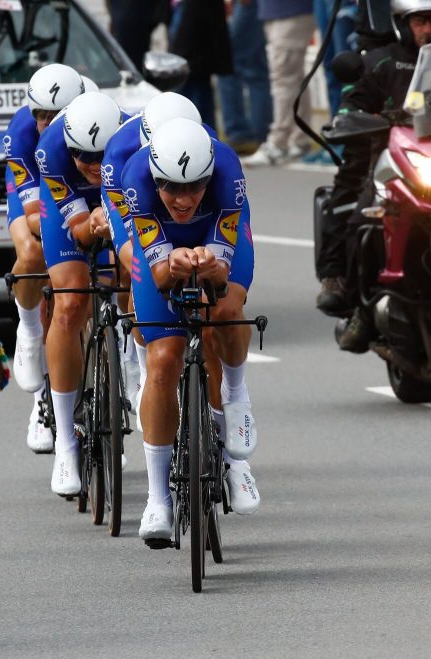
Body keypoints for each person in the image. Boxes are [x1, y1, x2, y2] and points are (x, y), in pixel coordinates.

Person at [120, 118, 260, 546]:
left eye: (194, 187)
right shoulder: (135, 177)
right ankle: (158, 499)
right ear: (156, 177)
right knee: (162, 360)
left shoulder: (228, 170)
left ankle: (235, 403)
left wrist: (211, 264)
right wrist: (174, 262)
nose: (183, 200)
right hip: (163, 249)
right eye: (171, 188)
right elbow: (160, 276)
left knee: (225, 307)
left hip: (216, 236)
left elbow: (221, 273)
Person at [321, 0, 431, 349]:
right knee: (363, 212)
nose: (428, 29)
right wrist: (358, 117)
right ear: (403, 24)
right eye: (420, 21)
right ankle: (356, 300)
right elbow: (351, 104)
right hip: (391, 159)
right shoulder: (382, 61)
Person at [98, 92, 207, 425]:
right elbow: (139, 239)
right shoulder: (121, 155)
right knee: (137, 260)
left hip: (181, 205)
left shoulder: (205, 146)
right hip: (134, 198)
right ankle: (143, 364)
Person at [36, 91, 124, 495]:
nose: (91, 165)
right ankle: (66, 446)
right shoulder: (50, 152)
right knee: (70, 303)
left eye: (99, 156)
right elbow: (80, 231)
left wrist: (114, 217)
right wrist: (93, 222)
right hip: (71, 209)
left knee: (134, 277)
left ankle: (133, 367)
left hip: (122, 195)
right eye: (82, 156)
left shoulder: (130, 144)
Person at [2, 62, 84, 454]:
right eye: (42, 115)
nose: (48, 122)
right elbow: (35, 214)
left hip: (80, 184)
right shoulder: (22, 133)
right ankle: (30, 330)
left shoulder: (98, 128)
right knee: (34, 250)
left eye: (58, 115)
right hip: (37, 190)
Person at [244, 0, 317, 165]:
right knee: (293, 78)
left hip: (290, 9)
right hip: (277, 10)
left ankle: (279, 143)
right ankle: (299, 139)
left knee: (284, 78)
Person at [217, 0, 274, 155]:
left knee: (227, 66)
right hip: (253, 5)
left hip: (247, 4)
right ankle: (260, 133)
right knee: (256, 70)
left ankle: (240, 134)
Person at [169, 0, 234, 128]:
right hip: (191, 15)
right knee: (196, 82)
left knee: (191, 82)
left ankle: (198, 133)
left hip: (196, 18)